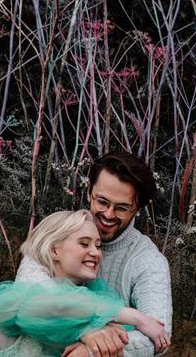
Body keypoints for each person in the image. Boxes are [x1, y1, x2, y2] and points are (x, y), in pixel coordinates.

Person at [17, 153, 172, 357]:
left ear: (137, 209)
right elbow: (28, 289)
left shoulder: (149, 261)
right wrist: (84, 330)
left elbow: (159, 337)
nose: (108, 214)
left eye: (121, 208)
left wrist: (92, 351)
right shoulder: (60, 232)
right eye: (102, 201)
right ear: (89, 192)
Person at [0, 210, 170, 356]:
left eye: (97, 245)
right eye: (84, 243)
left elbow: (119, 336)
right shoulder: (21, 298)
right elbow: (53, 307)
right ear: (54, 251)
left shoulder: (94, 296)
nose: (96, 253)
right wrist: (134, 316)